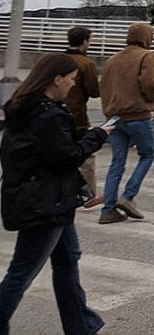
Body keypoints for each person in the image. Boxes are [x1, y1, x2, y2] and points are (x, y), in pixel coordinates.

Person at [0, 53, 112, 335]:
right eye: (71, 80)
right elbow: (66, 156)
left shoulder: (28, 108)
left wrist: (83, 132)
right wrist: (97, 136)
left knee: (67, 260)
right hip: (45, 202)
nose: (73, 85)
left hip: (49, 199)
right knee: (22, 272)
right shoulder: (46, 113)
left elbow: (49, 147)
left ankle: (82, 327)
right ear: (56, 79)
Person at [98, 21, 154, 225]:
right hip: (138, 115)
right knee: (147, 155)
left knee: (117, 162)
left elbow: (104, 87)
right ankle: (128, 196)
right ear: (147, 37)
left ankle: (107, 210)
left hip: (114, 117)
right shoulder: (147, 56)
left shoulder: (112, 59)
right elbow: (151, 84)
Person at [63, 26, 102, 209]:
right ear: (85, 41)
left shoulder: (57, 59)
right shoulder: (86, 64)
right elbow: (94, 91)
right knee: (87, 155)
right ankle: (88, 193)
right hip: (77, 113)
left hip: (57, 111)